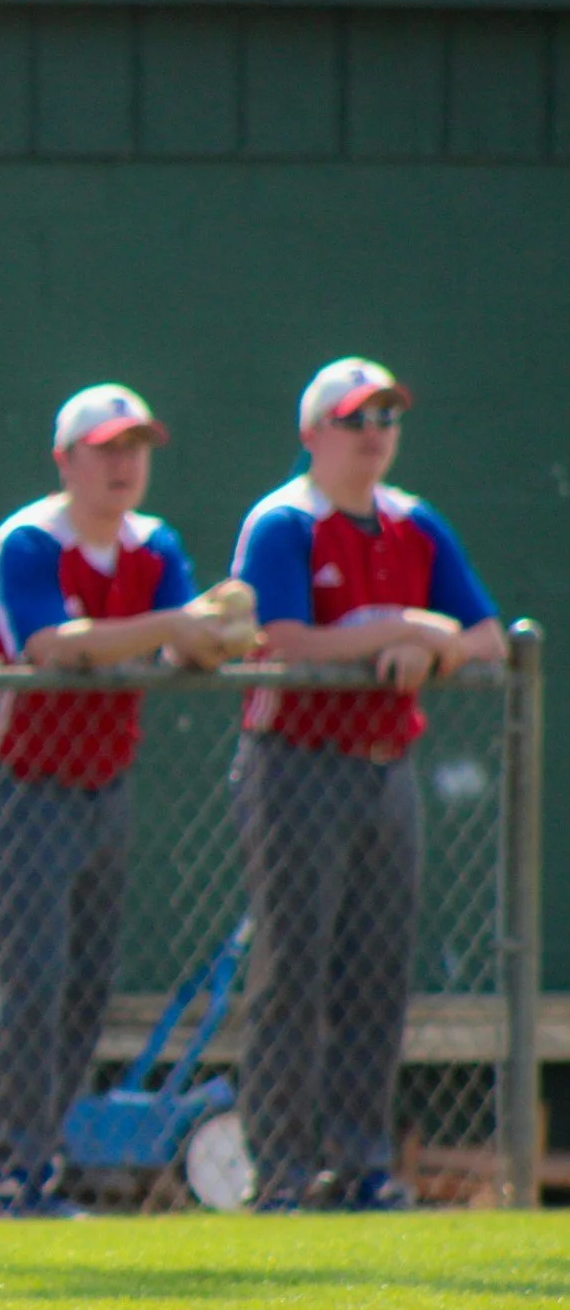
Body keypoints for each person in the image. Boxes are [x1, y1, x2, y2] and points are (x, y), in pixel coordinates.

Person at [0, 385, 249, 1216]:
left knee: (84, 989)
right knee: (32, 982)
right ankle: (6, 1169)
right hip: (18, 789)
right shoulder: (29, 541)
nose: (124, 464)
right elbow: (50, 645)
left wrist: (215, 632)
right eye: (106, 448)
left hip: (102, 789)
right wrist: (175, 624)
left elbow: (191, 636)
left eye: (136, 448)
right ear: (66, 459)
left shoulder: (154, 545)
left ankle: (40, 1162)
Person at [228, 357, 503, 1211]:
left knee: (377, 975)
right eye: (355, 420)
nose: (375, 434)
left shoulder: (414, 524)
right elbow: (280, 638)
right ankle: (277, 1168)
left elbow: (489, 634)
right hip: (295, 768)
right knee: (293, 971)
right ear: (313, 435)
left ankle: (361, 1163)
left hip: (386, 769)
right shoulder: (283, 522)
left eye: (386, 417)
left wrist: (430, 646)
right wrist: (399, 626)